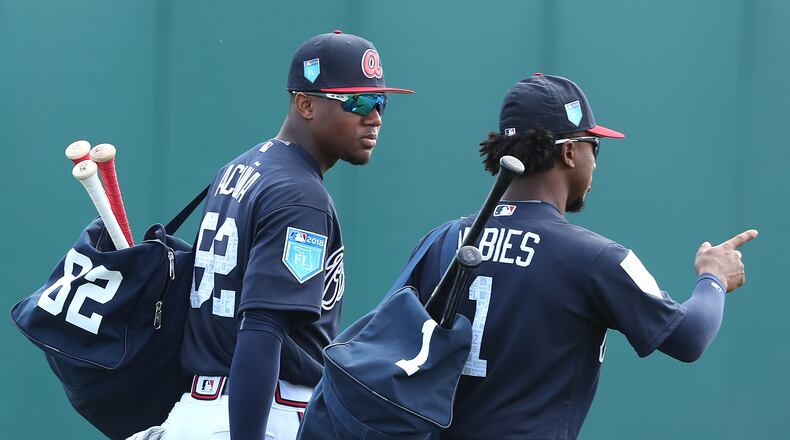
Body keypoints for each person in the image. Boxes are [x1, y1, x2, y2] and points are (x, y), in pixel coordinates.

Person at [403, 73, 757, 439]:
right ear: (569, 152)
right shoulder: (597, 257)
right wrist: (713, 276)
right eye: (594, 147)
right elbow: (689, 337)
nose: (596, 163)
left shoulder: (444, 239)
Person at [132, 31, 413, 440]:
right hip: (261, 413)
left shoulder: (237, 168)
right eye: (357, 102)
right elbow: (262, 329)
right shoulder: (301, 195)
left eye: (379, 102)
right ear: (305, 104)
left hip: (197, 408)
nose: (374, 117)